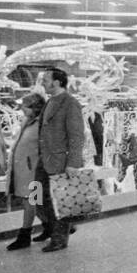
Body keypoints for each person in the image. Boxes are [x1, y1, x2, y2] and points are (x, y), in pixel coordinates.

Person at [35, 67, 85, 253]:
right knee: (36, 196)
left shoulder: (70, 103)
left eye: (46, 79)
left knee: (60, 201)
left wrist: (73, 163)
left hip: (59, 161)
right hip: (43, 159)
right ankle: (51, 226)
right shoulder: (50, 102)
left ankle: (59, 237)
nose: (43, 83)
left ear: (57, 82)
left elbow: (76, 135)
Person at [5, 92, 47, 250]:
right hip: (23, 169)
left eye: (25, 106)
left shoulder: (42, 124)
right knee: (32, 201)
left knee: (31, 201)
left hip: (34, 170)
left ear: (35, 107)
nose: (22, 109)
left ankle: (24, 235)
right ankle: (49, 226)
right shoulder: (27, 121)